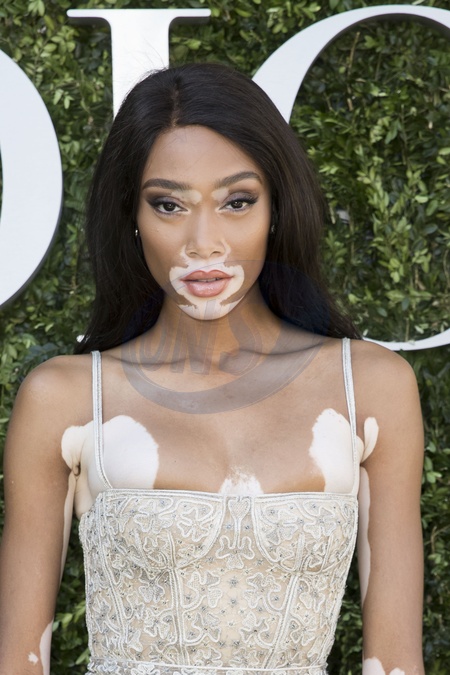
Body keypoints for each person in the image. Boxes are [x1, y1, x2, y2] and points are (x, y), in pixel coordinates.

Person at [0, 63, 424, 675]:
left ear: (276, 208)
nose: (205, 242)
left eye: (237, 202)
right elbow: (17, 662)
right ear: (132, 216)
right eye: (169, 205)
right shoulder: (65, 398)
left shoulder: (371, 387)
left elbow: (396, 661)